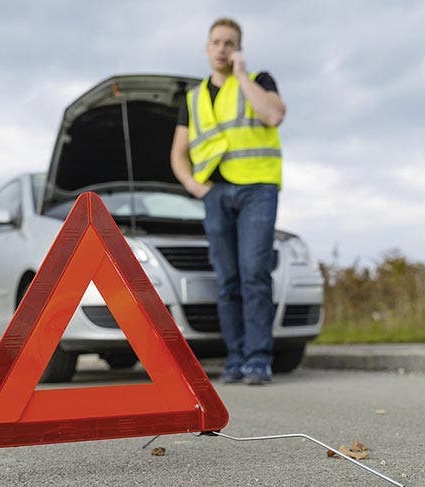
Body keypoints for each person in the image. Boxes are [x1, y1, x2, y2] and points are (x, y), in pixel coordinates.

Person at [170, 17, 286, 385]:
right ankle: (235, 357)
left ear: (238, 49)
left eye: (230, 43)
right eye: (216, 42)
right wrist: (194, 185)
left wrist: (242, 75)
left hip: (257, 189)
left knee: (255, 273)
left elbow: (272, 115)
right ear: (207, 47)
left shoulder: (259, 82)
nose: (222, 48)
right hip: (216, 194)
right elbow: (178, 152)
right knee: (227, 279)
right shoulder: (192, 98)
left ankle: (258, 358)